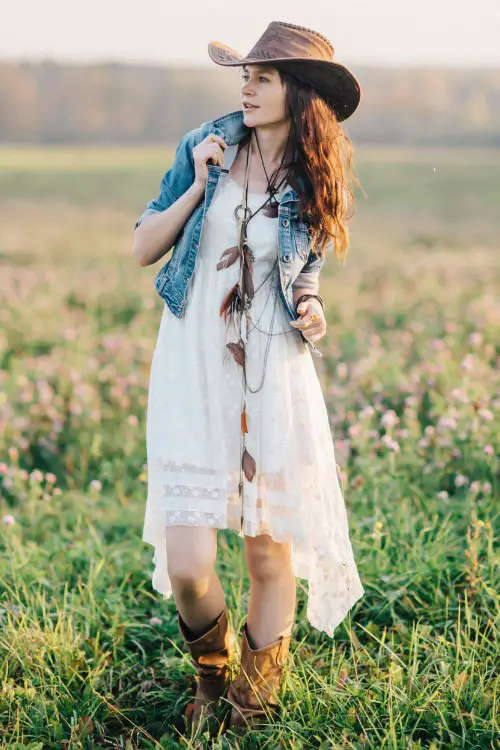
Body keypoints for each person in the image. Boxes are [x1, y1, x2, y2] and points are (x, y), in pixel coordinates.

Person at [133, 20, 364, 735]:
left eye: (263, 77)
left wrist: (313, 305)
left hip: (271, 371)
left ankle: (248, 710)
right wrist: (198, 187)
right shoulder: (206, 145)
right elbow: (143, 245)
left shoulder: (311, 173)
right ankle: (212, 667)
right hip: (193, 364)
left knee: (269, 553)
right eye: (246, 74)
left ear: (299, 93)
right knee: (190, 567)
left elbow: (307, 274)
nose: (246, 87)